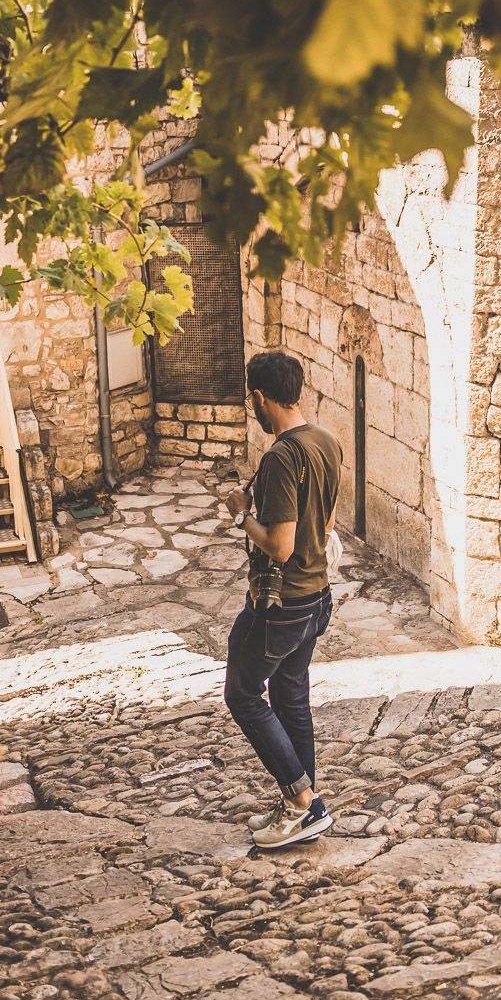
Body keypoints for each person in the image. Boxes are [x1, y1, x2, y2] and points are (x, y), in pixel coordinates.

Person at [223, 350, 342, 850]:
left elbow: (279, 544)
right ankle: (305, 807)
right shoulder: (326, 441)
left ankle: (300, 801)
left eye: (252, 399)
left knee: (243, 694)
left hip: (283, 605)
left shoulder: (279, 457)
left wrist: (239, 514)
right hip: (317, 597)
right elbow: (330, 521)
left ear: (259, 396)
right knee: (292, 698)